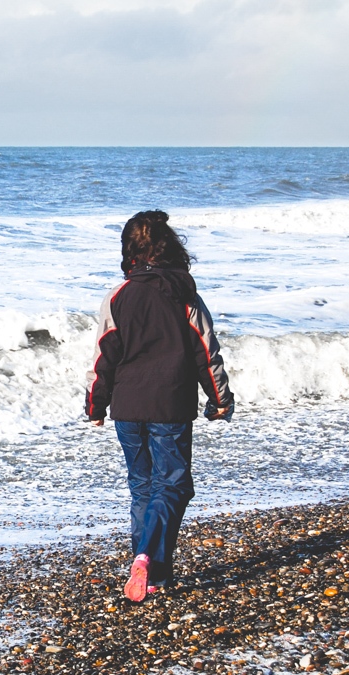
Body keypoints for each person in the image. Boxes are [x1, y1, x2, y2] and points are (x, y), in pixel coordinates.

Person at [85, 210, 233, 602]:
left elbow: (105, 356)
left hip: (128, 408)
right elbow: (206, 351)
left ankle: (150, 571)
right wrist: (220, 399)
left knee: (142, 488)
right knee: (174, 486)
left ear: (130, 251)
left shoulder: (117, 296)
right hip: (170, 405)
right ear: (169, 247)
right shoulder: (184, 293)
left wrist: (96, 405)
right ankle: (148, 560)